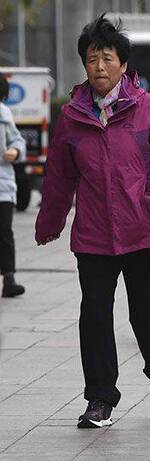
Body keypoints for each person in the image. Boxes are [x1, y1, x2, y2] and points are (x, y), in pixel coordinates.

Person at [35, 15, 150, 429]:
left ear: (123, 64)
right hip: (94, 236)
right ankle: (100, 398)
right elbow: (59, 175)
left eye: (107, 58)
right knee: (95, 315)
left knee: (145, 315)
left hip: (144, 231)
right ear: (84, 65)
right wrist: (49, 222)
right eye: (92, 59)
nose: (99, 66)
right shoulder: (72, 115)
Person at [0, 73, 26, 298]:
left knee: (4, 232)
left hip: (2, 187)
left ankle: (9, 278)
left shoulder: (3, 115)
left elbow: (17, 140)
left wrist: (15, 151)